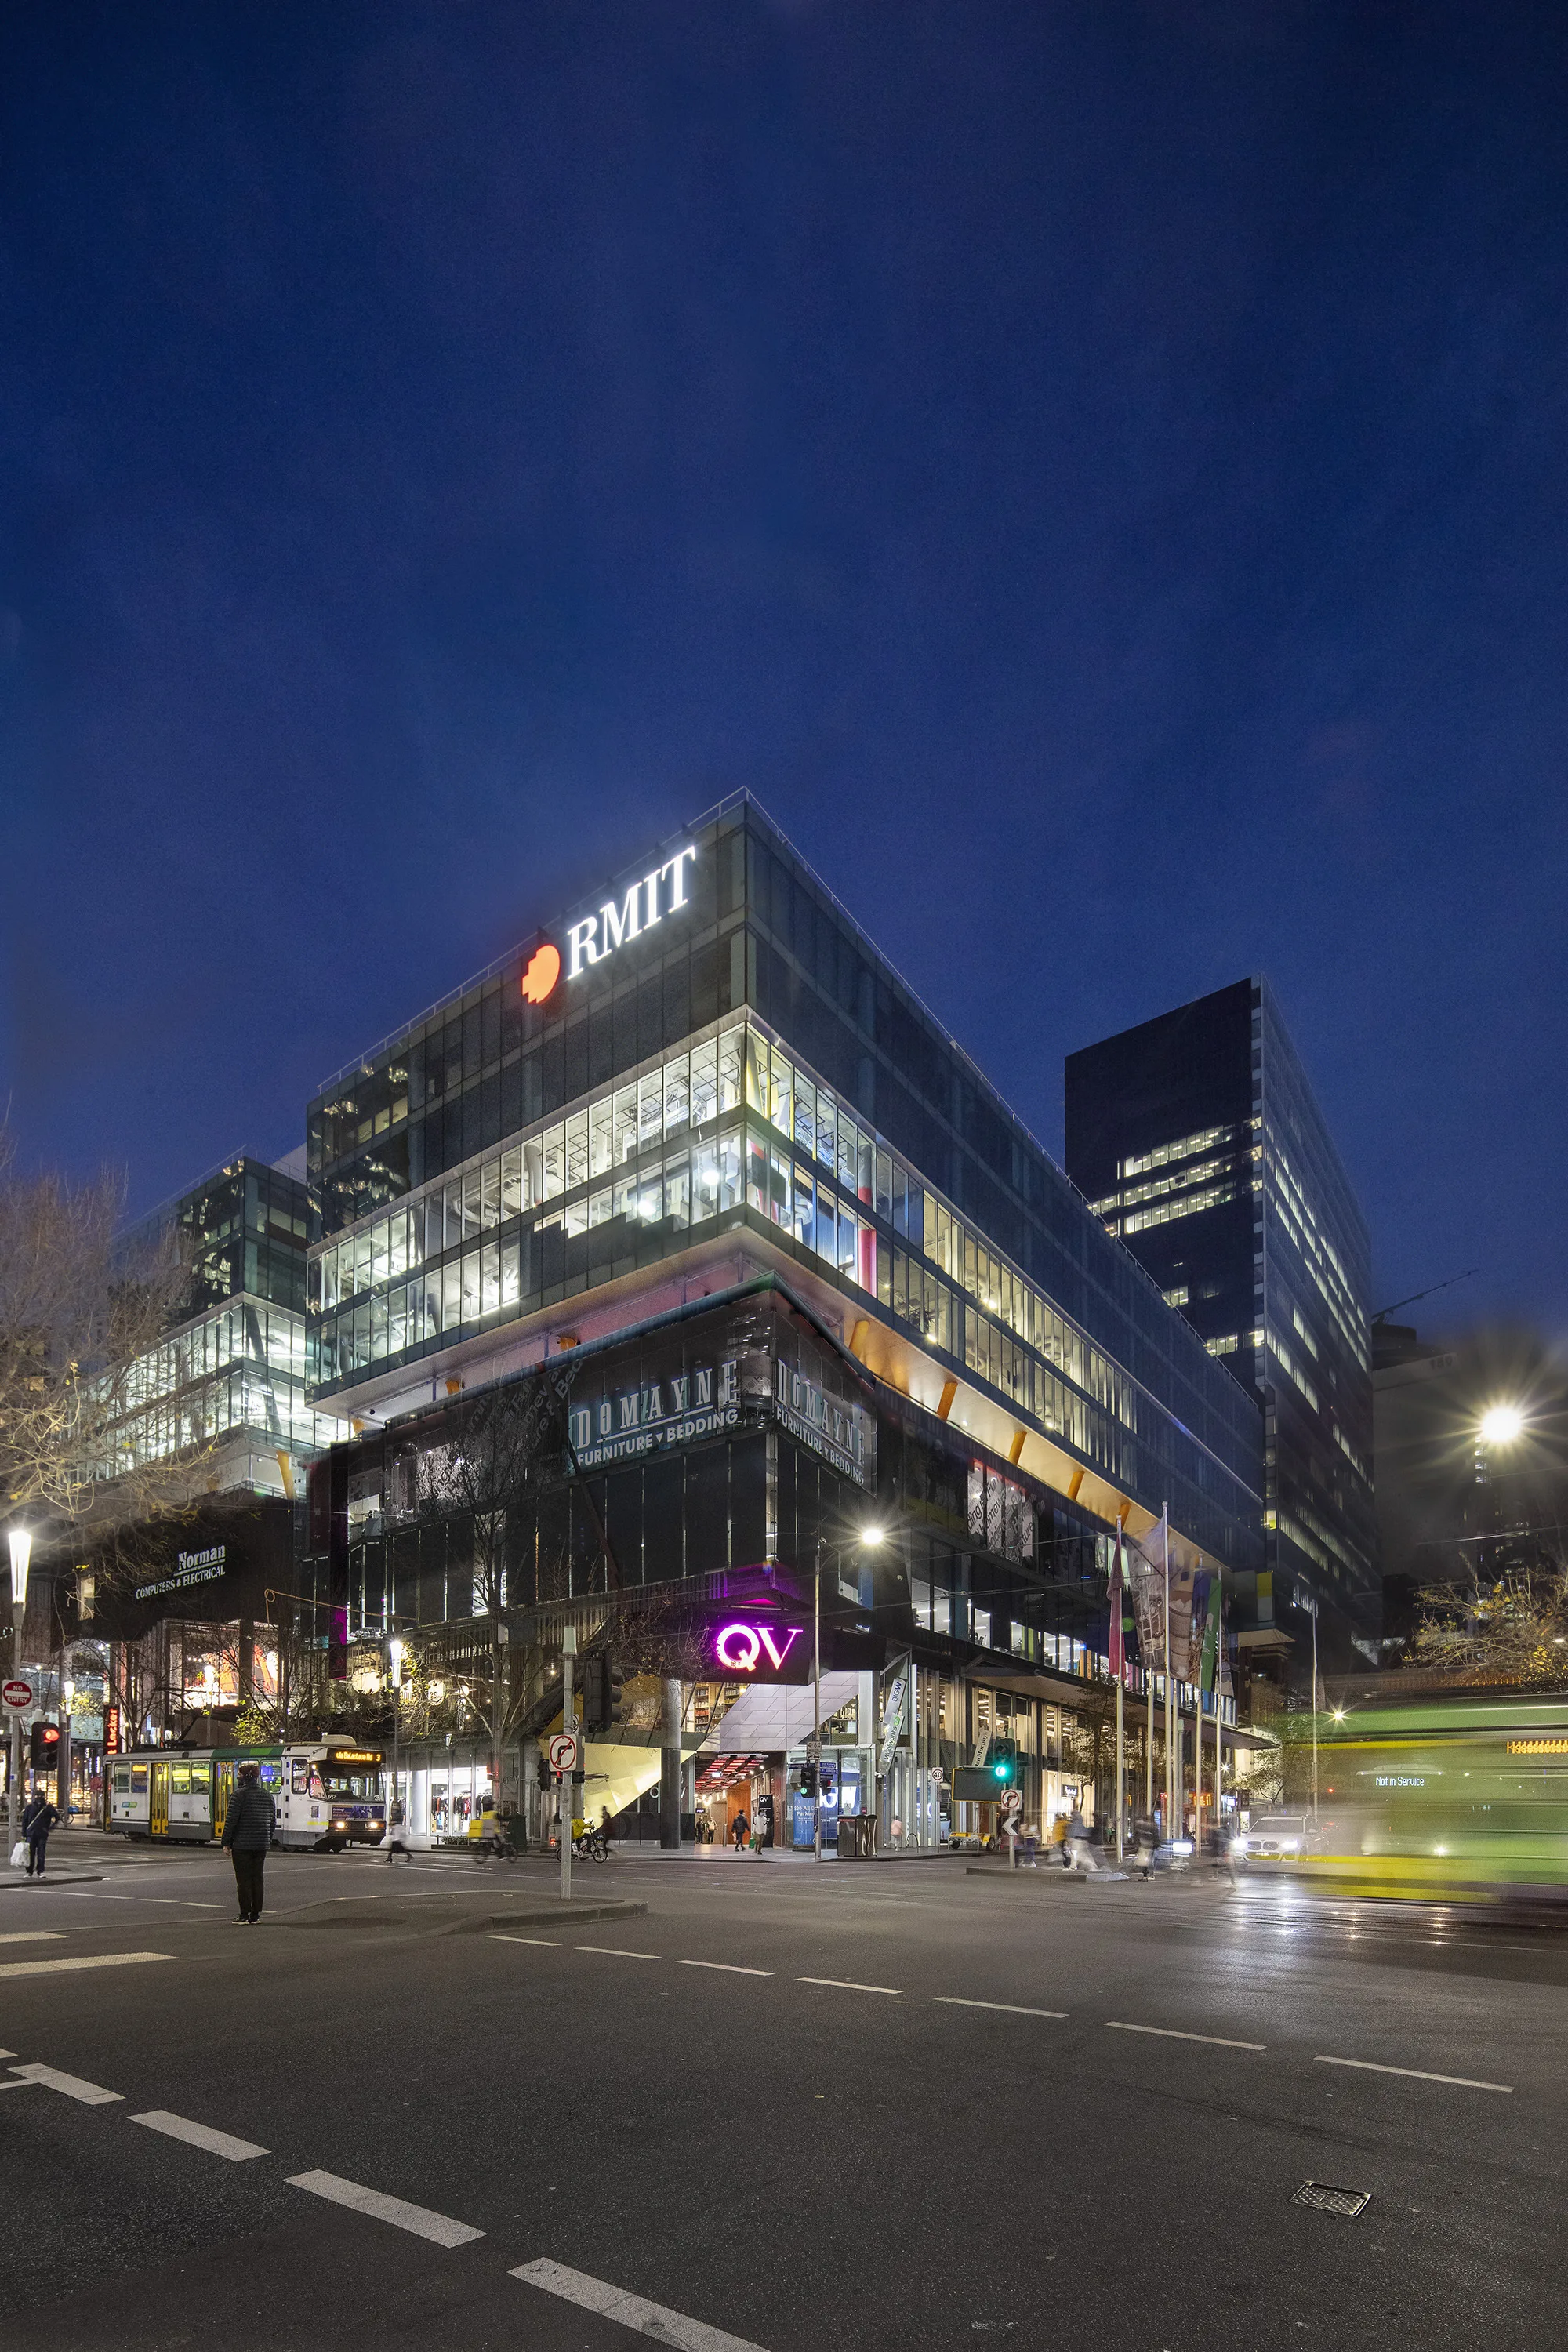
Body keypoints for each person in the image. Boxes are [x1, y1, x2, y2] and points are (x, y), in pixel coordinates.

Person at [220, 1759, 275, 1923]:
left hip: (242, 1845)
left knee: (243, 1880)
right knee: (258, 1879)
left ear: (244, 1777)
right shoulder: (267, 1796)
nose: (237, 1778)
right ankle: (256, 1915)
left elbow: (232, 1821)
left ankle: (244, 1915)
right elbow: (272, 1822)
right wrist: (267, 1839)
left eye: (238, 1775)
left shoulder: (239, 1795)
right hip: (261, 1844)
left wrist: (227, 1842)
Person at [22, 1790, 58, 1881]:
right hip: (31, 1833)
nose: (39, 1797)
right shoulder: (30, 1808)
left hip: (41, 1834)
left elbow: (57, 1817)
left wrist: (50, 1827)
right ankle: (29, 1871)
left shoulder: (48, 1808)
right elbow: (25, 1821)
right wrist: (24, 1833)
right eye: (37, 1795)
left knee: (41, 1853)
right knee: (31, 1853)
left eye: (41, 1796)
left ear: (44, 1797)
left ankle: (40, 1871)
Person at [386, 1793, 411, 1864]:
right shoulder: (395, 1813)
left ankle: (390, 1857)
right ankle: (390, 1857)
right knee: (396, 1844)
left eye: (395, 1805)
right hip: (396, 1828)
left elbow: (398, 1820)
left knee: (396, 1844)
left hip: (398, 1828)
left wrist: (392, 1823)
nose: (394, 1807)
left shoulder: (398, 1813)